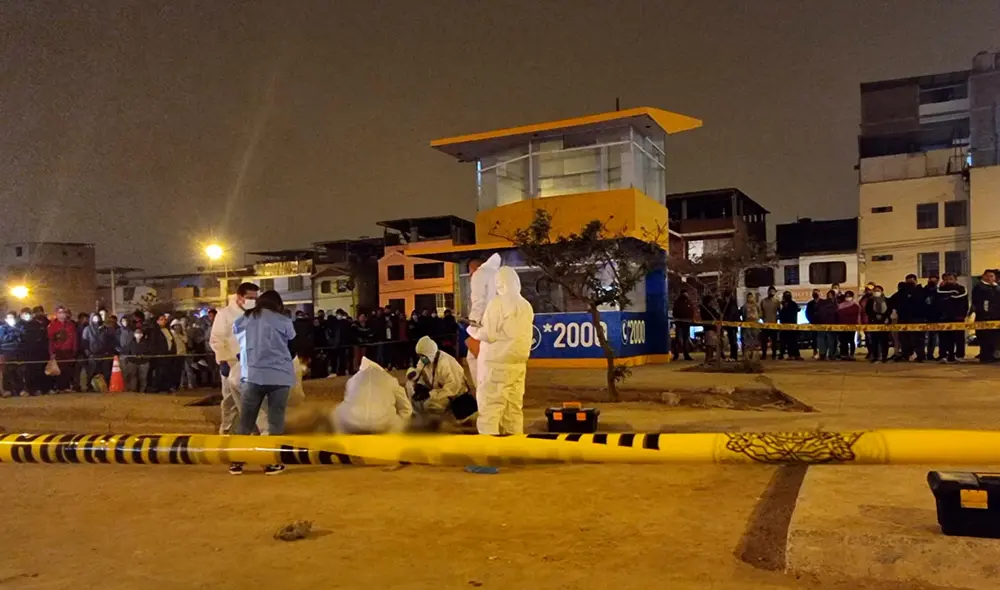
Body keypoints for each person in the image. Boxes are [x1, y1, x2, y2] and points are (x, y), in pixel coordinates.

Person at [229, 290, 297, 476]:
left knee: (246, 421)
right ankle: (271, 462)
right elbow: (292, 342)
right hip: (280, 376)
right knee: (275, 421)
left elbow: (235, 334)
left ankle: (236, 461)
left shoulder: (245, 318)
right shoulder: (283, 320)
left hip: (252, 375)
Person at [468, 266, 534, 436]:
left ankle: (489, 450)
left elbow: (488, 334)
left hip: (495, 364)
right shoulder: (526, 305)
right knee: (513, 409)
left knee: (490, 407)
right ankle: (514, 446)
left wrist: (472, 330)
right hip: (518, 365)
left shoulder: (497, 303)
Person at [210, 282, 267, 435]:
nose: (253, 301)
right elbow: (217, 339)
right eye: (250, 297)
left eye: (256, 298)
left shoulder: (257, 314)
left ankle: (254, 432)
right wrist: (223, 360)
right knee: (230, 402)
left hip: (253, 363)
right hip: (232, 363)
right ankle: (227, 431)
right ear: (240, 297)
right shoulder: (225, 314)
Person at [333, 356, 412, 434]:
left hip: (353, 425)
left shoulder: (352, 380)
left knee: (336, 413)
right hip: (383, 426)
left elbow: (348, 401)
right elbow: (406, 409)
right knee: (399, 420)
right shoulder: (390, 379)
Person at [409, 335, 476, 426]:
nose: (421, 358)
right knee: (410, 387)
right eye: (419, 356)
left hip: (455, 395)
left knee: (431, 405)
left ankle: (439, 424)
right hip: (438, 391)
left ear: (429, 353)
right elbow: (418, 372)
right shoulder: (426, 360)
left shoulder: (445, 363)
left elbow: (453, 387)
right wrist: (419, 385)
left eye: (422, 356)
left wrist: (430, 394)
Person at [466, 254, 502, 388]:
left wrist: (473, 328)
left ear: (473, 268)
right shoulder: (498, 274)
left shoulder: (479, 275)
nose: (470, 276)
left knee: (474, 359)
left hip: (483, 327)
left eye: (470, 273)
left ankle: (483, 392)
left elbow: (478, 303)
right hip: (500, 326)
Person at [935, 272, 969, 363]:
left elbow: (965, 303)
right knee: (944, 338)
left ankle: (959, 355)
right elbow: (937, 304)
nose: (948, 281)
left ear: (955, 279)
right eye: (946, 279)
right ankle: (945, 355)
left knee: (959, 338)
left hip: (958, 317)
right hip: (944, 318)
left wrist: (963, 315)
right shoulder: (939, 290)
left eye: (950, 279)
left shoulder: (961, 289)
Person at [971, 269, 1000, 364]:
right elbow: (978, 303)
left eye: (992, 276)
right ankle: (985, 357)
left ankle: (994, 356)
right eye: (988, 276)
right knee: (984, 338)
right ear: (983, 276)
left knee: (995, 338)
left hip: (996, 318)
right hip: (983, 317)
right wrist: (985, 313)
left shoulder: (997, 288)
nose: (990, 278)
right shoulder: (979, 287)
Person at [47, 306, 78, 392]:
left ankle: (66, 386)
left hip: (68, 350)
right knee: (58, 369)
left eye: (63, 312)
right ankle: (58, 387)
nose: (61, 315)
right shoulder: (52, 326)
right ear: (56, 314)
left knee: (68, 369)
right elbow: (50, 340)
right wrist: (51, 352)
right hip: (58, 351)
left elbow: (74, 338)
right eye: (59, 313)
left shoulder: (70, 325)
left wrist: (74, 349)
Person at [19, 307, 50, 394]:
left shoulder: (47, 323)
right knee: (31, 371)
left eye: (41, 312)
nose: (39, 314)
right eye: (37, 312)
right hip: (31, 352)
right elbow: (24, 338)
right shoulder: (29, 325)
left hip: (43, 351)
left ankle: (44, 389)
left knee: (43, 371)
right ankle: (32, 389)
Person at [865, 285, 892, 363]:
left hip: (884, 323)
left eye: (878, 290)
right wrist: (875, 315)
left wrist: (885, 317)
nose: (876, 292)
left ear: (882, 291)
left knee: (884, 340)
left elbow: (889, 310)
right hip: (874, 322)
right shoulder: (870, 301)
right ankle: (875, 356)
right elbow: (868, 311)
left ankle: (884, 357)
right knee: (874, 340)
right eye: (875, 290)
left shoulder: (886, 300)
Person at [0, 311, 24, 397]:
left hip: (16, 352)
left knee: (17, 372)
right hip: (5, 352)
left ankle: (18, 390)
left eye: (12, 317)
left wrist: (15, 331)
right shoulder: (2, 328)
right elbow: (4, 338)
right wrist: (13, 334)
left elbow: (22, 336)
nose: (10, 319)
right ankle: (8, 390)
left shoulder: (18, 327)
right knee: (7, 373)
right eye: (8, 317)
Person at [120, 326, 151, 392]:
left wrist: (144, 356)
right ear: (134, 334)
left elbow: (150, 352)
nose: (138, 334)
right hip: (133, 362)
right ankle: (132, 390)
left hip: (143, 362)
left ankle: (142, 390)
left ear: (142, 334)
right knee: (132, 376)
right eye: (137, 332)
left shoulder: (147, 343)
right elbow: (126, 352)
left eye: (140, 333)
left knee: (143, 378)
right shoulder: (131, 342)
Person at [835, 291, 861, 360]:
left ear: (852, 297)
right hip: (842, 326)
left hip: (852, 326)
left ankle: (852, 354)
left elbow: (856, 315)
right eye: (846, 296)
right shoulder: (841, 305)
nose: (848, 298)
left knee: (851, 340)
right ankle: (844, 354)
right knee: (843, 340)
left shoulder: (856, 306)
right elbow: (838, 314)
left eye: (849, 296)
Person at [814, 290, 839, 360]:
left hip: (821, 324)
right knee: (831, 340)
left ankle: (822, 354)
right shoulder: (834, 304)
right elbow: (837, 314)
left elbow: (816, 312)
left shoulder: (821, 303)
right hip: (831, 325)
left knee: (821, 339)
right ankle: (832, 355)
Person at [778, 292, 802, 360]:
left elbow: (784, 315)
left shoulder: (791, 304)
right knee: (791, 341)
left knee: (791, 341)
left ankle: (793, 355)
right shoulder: (790, 304)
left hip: (790, 325)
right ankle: (794, 355)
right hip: (789, 326)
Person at [672, 290, 694, 361]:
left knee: (684, 339)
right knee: (679, 339)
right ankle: (677, 354)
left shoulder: (688, 301)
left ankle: (684, 354)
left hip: (685, 323)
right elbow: (675, 311)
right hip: (680, 322)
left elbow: (691, 311)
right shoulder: (680, 302)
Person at [759, 287, 780, 360]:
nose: (771, 293)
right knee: (764, 341)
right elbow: (760, 311)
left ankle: (774, 355)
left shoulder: (777, 302)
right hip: (765, 324)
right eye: (770, 291)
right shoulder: (763, 301)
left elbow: (780, 312)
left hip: (774, 324)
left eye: (773, 291)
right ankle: (764, 354)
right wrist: (762, 317)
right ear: (768, 292)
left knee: (774, 341)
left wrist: (777, 318)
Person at [740, 292, 761, 361]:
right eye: (749, 297)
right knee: (747, 341)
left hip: (755, 326)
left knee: (755, 341)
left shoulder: (756, 305)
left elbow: (759, 314)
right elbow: (743, 315)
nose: (750, 298)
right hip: (747, 326)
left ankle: (754, 355)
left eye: (751, 297)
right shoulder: (744, 306)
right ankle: (746, 356)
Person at [923, 274, 940, 360]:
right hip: (923, 318)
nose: (932, 282)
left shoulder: (939, 292)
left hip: (935, 318)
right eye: (930, 280)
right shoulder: (922, 291)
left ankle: (930, 354)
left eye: (934, 281)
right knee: (921, 338)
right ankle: (921, 355)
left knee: (933, 338)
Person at [721, 290, 741, 361]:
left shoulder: (731, 304)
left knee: (733, 341)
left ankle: (734, 356)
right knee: (732, 341)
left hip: (731, 325)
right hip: (731, 325)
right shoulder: (730, 304)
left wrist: (726, 322)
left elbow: (731, 315)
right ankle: (733, 356)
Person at [805, 289, 821, 359]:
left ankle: (822, 352)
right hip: (813, 323)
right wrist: (810, 320)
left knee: (822, 339)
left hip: (822, 324)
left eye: (816, 293)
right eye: (814, 293)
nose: (815, 294)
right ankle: (815, 352)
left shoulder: (823, 303)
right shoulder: (810, 303)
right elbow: (807, 313)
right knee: (814, 339)